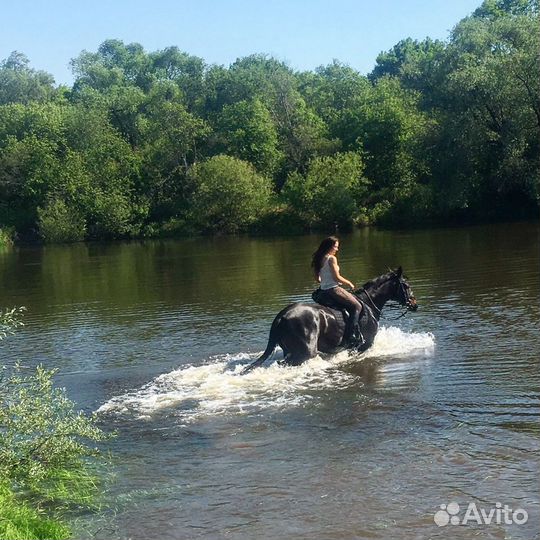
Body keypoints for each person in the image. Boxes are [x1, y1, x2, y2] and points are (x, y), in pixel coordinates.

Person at [311, 236, 363, 348]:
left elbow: (317, 279)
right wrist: (349, 283)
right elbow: (337, 277)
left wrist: (325, 279)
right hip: (333, 289)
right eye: (335, 247)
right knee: (357, 306)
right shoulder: (331, 259)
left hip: (323, 291)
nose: (337, 249)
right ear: (329, 247)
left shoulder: (318, 258)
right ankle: (351, 336)